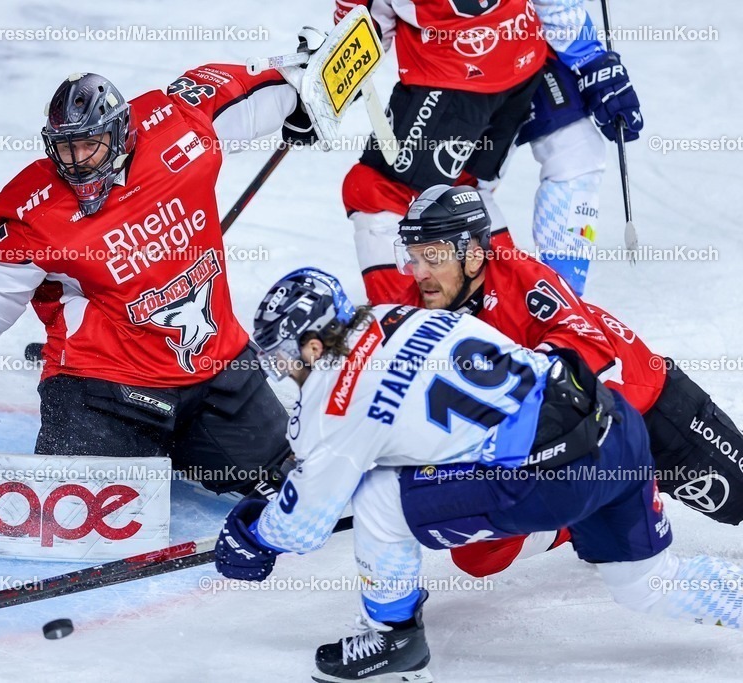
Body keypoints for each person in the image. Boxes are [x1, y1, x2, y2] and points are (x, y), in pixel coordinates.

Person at [0, 63, 320, 496]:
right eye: (65, 148)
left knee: (284, 485)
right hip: (107, 388)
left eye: (88, 146)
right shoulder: (41, 211)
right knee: (71, 512)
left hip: (216, 369)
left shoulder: (178, 128)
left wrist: (304, 88)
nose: (74, 162)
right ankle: (137, 455)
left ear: (120, 132)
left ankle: (187, 447)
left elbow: (244, 93)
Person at [213, 264, 743, 682]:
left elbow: (305, 522)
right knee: (649, 584)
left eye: (282, 355)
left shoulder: (332, 404)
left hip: (552, 478)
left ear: (311, 345)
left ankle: (392, 638)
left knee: (378, 501)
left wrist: (254, 536)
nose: (282, 369)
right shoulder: (399, 314)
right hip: (614, 427)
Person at [390, 184, 743, 577]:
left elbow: (587, 345)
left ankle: (628, 487)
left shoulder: (522, 280)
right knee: (476, 553)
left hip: (650, 409)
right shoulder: (418, 305)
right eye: (413, 258)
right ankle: (585, 511)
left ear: (473, 254)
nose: (419, 273)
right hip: (575, 442)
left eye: (433, 257)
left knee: (739, 497)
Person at [332, 0, 643, 299]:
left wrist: (591, 59)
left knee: (577, 150)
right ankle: (410, 325)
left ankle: (557, 304)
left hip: (524, 58)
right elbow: (362, 28)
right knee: (390, 192)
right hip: (452, 78)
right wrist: (334, 78)